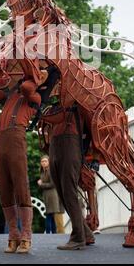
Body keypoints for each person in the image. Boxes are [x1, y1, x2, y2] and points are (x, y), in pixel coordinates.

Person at [0, 77, 41, 254]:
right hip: (1, 138)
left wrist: (26, 75)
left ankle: (26, 236)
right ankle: (14, 235)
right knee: (4, 187)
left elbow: (26, 86)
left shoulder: (35, 97)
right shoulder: (8, 96)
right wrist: (0, 77)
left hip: (17, 136)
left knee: (21, 186)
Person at [39, 102, 95, 250]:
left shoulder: (80, 104)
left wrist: (91, 158)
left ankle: (78, 238)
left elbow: (92, 129)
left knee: (69, 193)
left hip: (71, 146)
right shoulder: (55, 105)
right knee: (63, 194)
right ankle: (86, 233)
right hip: (55, 147)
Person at [37, 155, 61, 234]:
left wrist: (41, 184)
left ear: (48, 162)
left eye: (45, 161)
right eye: (42, 161)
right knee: (51, 214)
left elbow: (53, 184)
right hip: (47, 195)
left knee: (49, 214)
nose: (43, 163)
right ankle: (54, 233)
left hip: (52, 195)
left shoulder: (50, 171)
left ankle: (48, 233)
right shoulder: (42, 171)